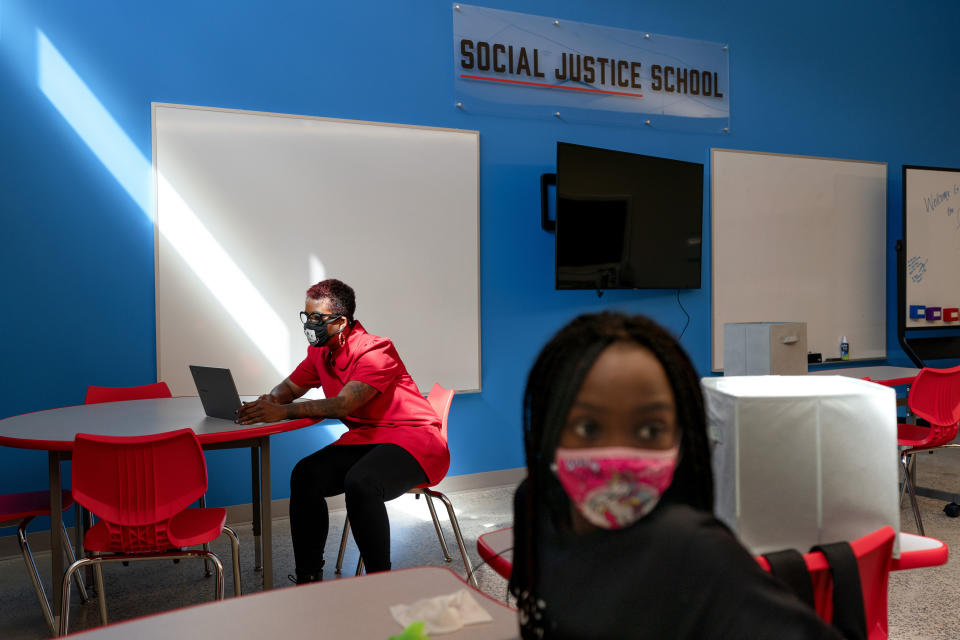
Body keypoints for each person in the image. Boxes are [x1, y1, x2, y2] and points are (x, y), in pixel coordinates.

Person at [508, 312, 841, 639]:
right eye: (587, 427)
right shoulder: (534, 505)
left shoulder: (695, 552)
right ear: (547, 430)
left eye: (650, 430)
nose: (618, 457)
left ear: (682, 440)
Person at [236, 279, 448, 583]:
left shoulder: (376, 350)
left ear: (341, 322)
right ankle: (309, 577)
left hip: (415, 440)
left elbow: (343, 405)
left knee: (361, 482)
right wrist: (270, 399)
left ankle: (379, 582)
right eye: (306, 316)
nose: (310, 324)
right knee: (305, 475)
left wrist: (282, 411)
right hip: (369, 439)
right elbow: (291, 387)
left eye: (317, 318)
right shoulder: (320, 353)